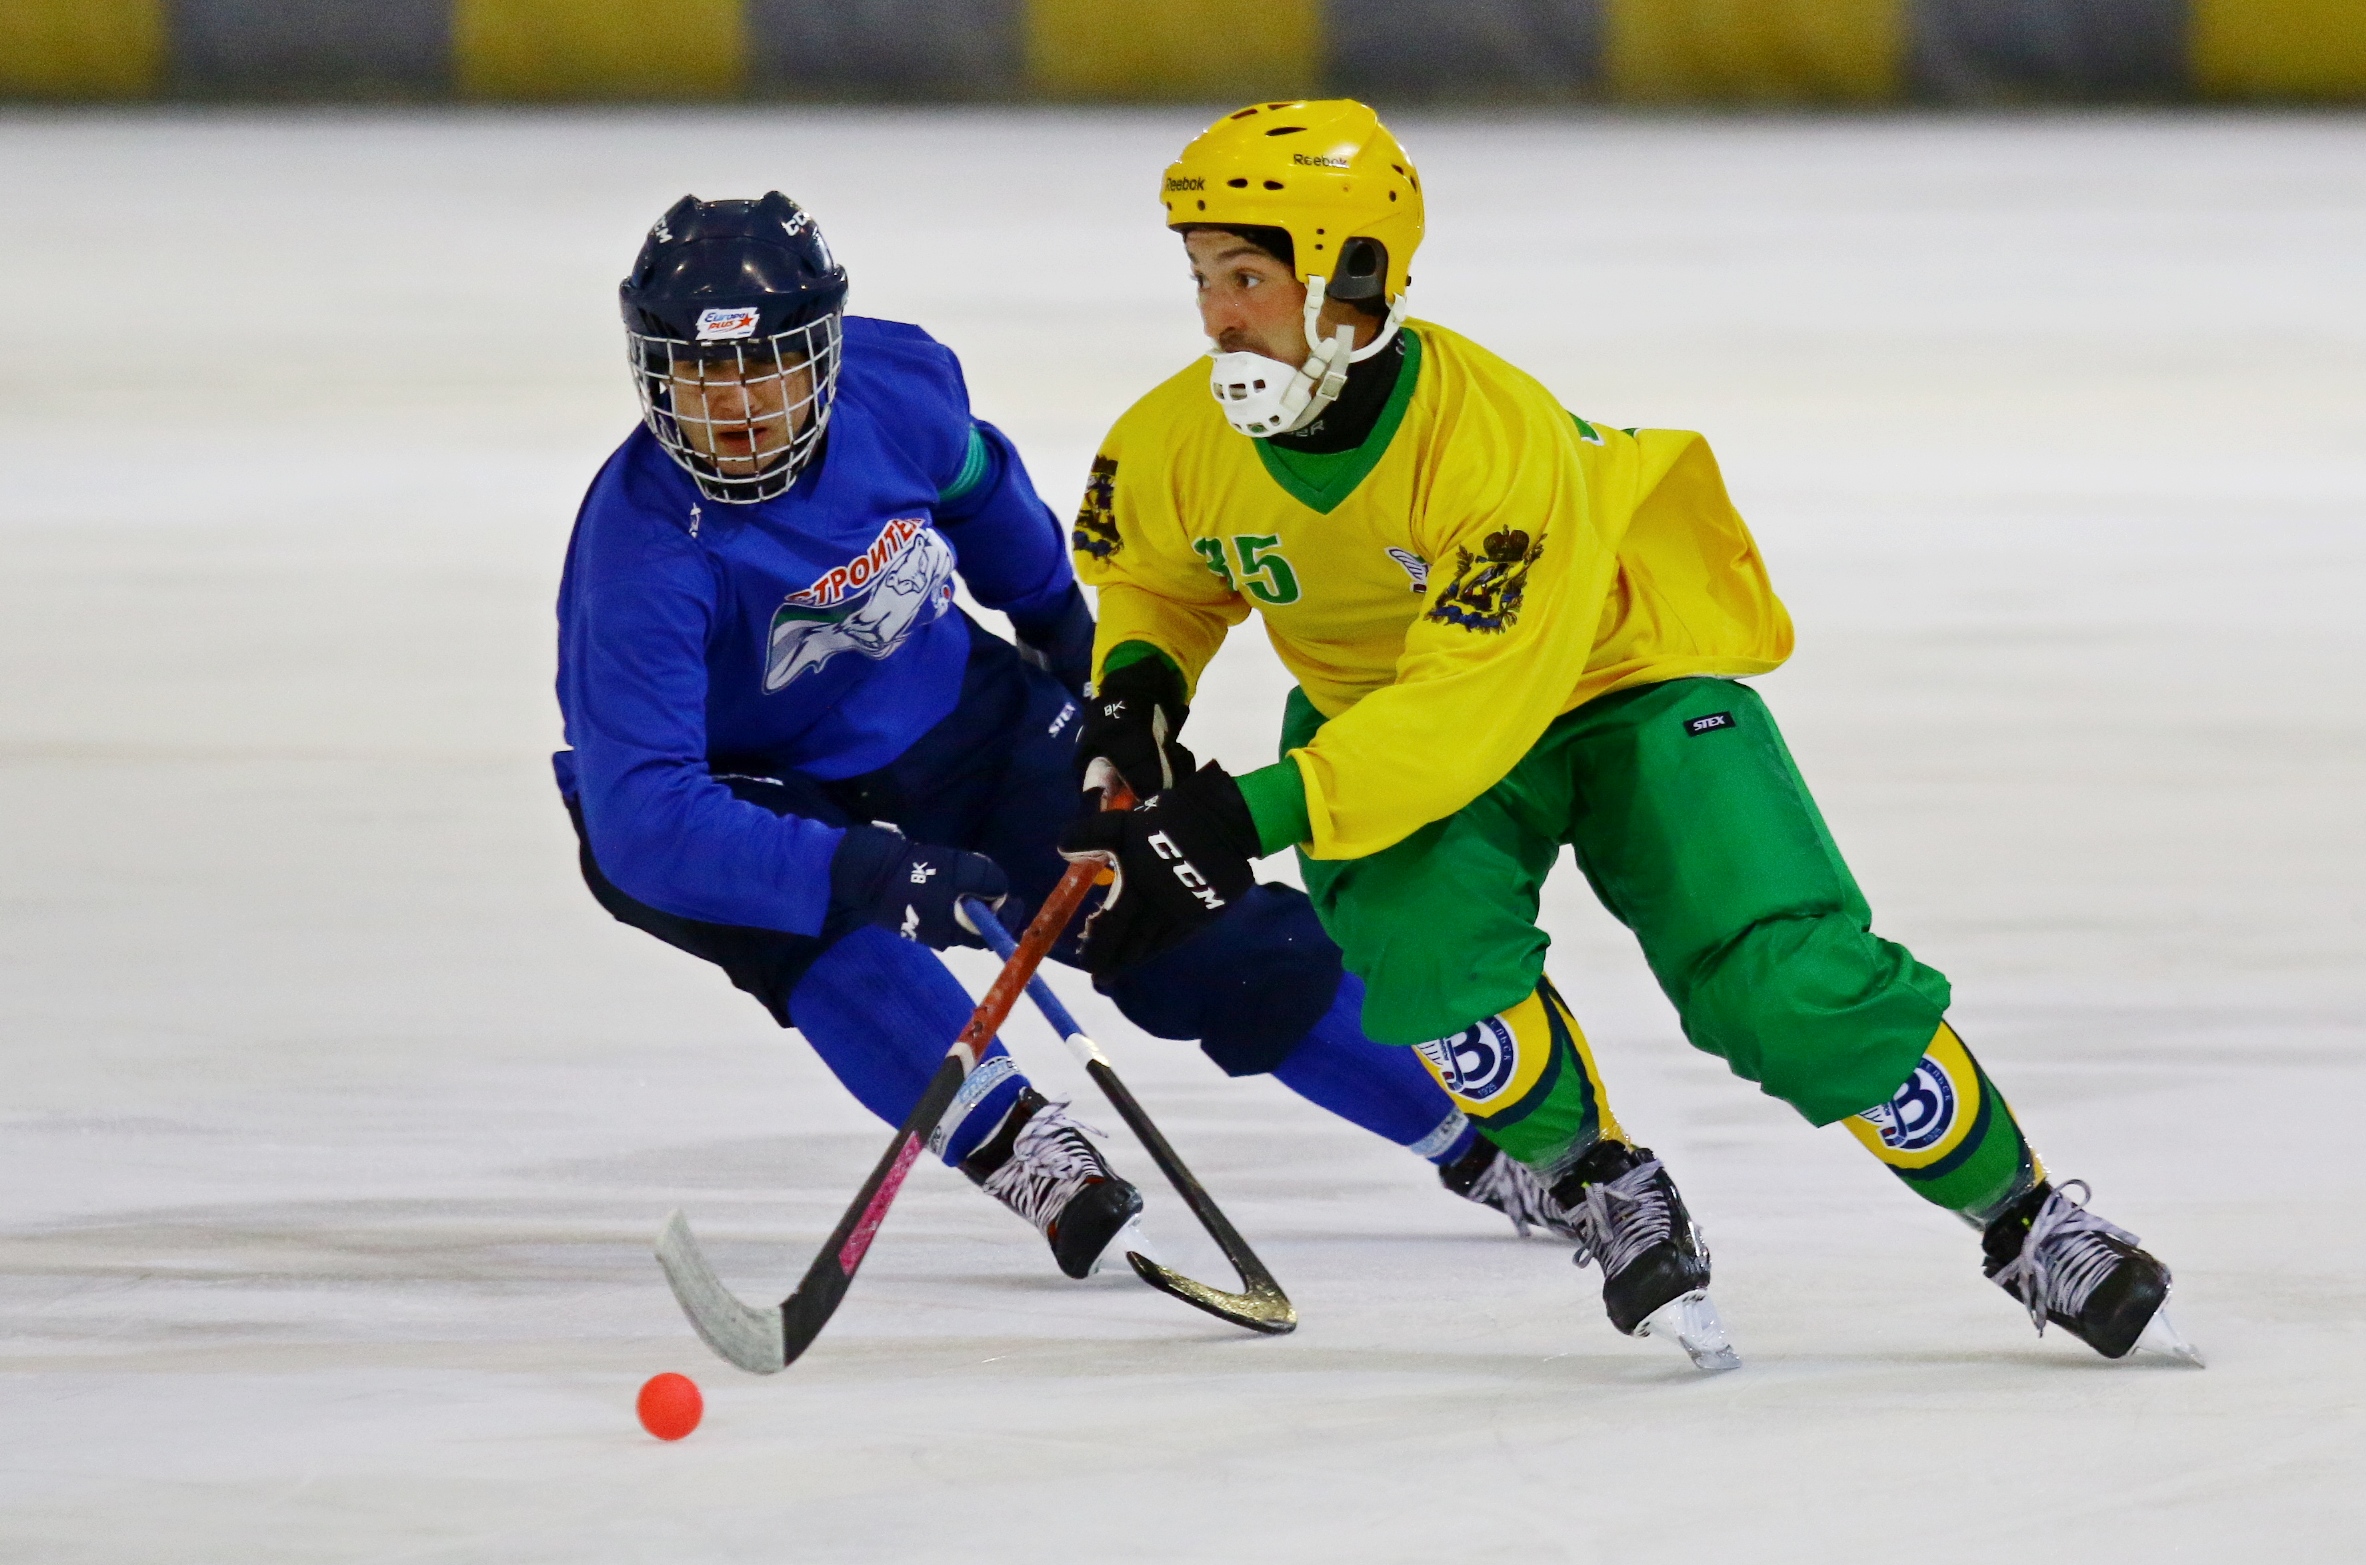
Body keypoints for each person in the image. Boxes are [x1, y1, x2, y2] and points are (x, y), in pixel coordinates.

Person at [1059, 101, 2195, 1367]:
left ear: (1351, 276)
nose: (1218, 315)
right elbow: (1164, 571)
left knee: (1787, 977)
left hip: (1614, 682)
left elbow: (1461, 709)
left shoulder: (1495, 439)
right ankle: (1596, 1179)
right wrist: (1137, 700)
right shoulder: (1169, 435)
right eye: (1203, 278)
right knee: (1432, 964)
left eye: (1250, 276)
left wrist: (1234, 814)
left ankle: (2026, 1217)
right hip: (1378, 718)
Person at [551, 192, 1569, 1286]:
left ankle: (1485, 1138)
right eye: (699, 377)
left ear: (826, 353)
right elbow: (645, 820)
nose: (734, 409)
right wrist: (865, 869)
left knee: (1194, 924)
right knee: (837, 935)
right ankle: (1029, 1152)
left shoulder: (895, 383)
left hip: (957, 717)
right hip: (735, 792)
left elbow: (980, 491)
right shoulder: (641, 558)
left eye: (765, 368)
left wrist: (1063, 634)